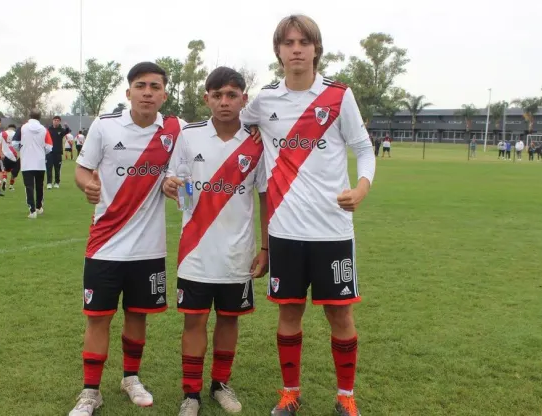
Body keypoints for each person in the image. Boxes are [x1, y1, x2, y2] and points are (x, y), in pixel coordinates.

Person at [240, 14, 376, 416]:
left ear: (316, 48)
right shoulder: (263, 101)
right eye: (288, 43)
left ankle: (346, 398)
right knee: (289, 311)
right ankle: (290, 393)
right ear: (278, 51)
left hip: (333, 229)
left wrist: (361, 188)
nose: (296, 49)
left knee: (340, 312)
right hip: (285, 229)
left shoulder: (338, 96)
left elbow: (364, 150)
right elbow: (235, 127)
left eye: (303, 42)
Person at [68, 62, 186, 416]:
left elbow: (188, 161)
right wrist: (86, 184)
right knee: (98, 317)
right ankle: (90, 392)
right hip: (105, 243)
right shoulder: (105, 127)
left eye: (154, 86)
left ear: (164, 93)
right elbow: (82, 168)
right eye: (140, 85)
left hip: (149, 248)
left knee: (138, 317)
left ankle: (130, 378)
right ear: (128, 92)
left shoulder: (175, 130)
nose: (147, 92)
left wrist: (170, 183)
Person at [161, 67, 268, 416]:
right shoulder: (189, 136)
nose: (225, 101)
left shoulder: (257, 142)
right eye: (218, 94)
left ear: (243, 100)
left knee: (229, 319)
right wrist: (171, 185)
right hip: (195, 250)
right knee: (193, 321)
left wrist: (265, 248)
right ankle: (190, 393)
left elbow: (266, 197)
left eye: (232, 94)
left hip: (237, 253)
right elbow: (173, 177)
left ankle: (220, 384)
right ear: (206, 98)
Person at [19, 109, 53, 218]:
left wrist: (23, 149)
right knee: (39, 185)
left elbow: (15, 143)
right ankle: (39, 207)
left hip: (27, 162)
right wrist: (41, 151)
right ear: (39, 117)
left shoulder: (23, 128)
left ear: (29, 116)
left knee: (29, 186)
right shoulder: (44, 129)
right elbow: (49, 147)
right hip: (40, 162)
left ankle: (32, 210)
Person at [46, 116, 70, 189]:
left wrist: (66, 126)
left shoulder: (61, 130)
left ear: (59, 122)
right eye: (55, 120)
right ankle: (49, 183)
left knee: (57, 168)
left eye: (57, 120)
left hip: (58, 152)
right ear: (52, 121)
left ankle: (57, 182)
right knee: (49, 168)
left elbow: (68, 131)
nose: (56, 121)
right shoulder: (48, 129)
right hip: (49, 152)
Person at [1, 124, 20, 191]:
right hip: (15, 155)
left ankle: (4, 180)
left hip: (5, 154)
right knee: (14, 171)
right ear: (14, 128)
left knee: (5, 170)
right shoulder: (16, 134)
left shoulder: (2, 133)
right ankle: (11, 186)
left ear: (8, 128)